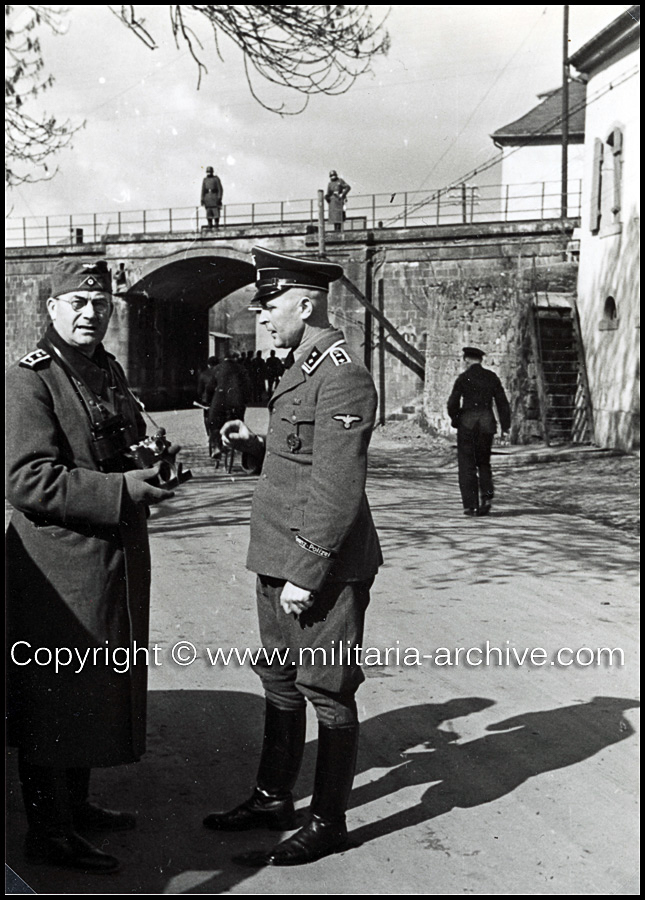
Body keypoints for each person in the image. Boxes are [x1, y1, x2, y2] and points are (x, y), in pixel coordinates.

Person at [203, 246, 382, 867]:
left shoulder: (342, 374)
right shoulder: (298, 365)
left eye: (271, 307)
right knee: (278, 676)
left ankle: (329, 820)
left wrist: (307, 572)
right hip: (278, 555)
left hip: (318, 564)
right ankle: (273, 798)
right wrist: (255, 446)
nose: (263, 320)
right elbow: (300, 461)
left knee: (327, 688)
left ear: (305, 305)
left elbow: (338, 487)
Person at [6, 259, 176, 873]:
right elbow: (26, 480)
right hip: (60, 565)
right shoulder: (31, 379)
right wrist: (123, 491)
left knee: (92, 688)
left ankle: (75, 809)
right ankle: (48, 832)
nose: (90, 313)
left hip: (108, 556)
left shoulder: (105, 368)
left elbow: (114, 443)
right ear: (50, 309)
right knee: (55, 696)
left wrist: (151, 461)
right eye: (77, 302)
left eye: (100, 304)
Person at [447, 346, 511, 516]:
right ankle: (487, 498)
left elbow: (452, 403)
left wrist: (456, 419)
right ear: (480, 360)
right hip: (487, 424)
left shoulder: (463, 378)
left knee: (467, 466)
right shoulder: (491, 377)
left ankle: (470, 505)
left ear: (467, 360)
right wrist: (505, 426)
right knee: (484, 464)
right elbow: (502, 403)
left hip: (467, 425)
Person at [206, 353, 252, 459]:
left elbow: (209, 387)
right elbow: (248, 386)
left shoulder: (217, 369)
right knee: (238, 422)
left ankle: (216, 446)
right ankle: (237, 444)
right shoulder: (241, 368)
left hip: (220, 401)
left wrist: (209, 402)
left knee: (213, 422)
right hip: (237, 402)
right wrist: (245, 400)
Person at [197, 356, 219, 436]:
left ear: (209, 365)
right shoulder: (220, 373)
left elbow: (200, 390)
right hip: (218, 398)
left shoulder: (203, 374)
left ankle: (209, 434)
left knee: (206, 417)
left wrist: (200, 398)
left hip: (207, 399)